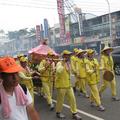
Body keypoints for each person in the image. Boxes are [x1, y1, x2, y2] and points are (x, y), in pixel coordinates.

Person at [55, 50, 82, 120]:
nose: (69, 56)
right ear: (64, 56)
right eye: (67, 55)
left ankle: (74, 113)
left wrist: (76, 74)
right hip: (61, 86)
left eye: (69, 55)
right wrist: (63, 63)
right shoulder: (59, 63)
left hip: (68, 85)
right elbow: (58, 71)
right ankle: (58, 112)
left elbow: (70, 72)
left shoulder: (68, 63)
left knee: (72, 98)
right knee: (60, 100)